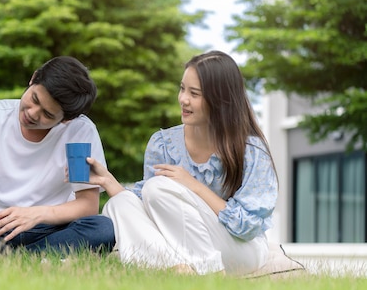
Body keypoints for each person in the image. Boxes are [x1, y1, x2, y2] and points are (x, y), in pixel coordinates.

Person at [86, 50, 277, 275]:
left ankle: (208, 271)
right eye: (182, 88)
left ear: (221, 100)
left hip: (240, 248)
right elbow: (146, 205)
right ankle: (176, 269)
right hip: (183, 243)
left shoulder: (251, 150)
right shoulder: (163, 144)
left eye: (194, 93)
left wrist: (193, 186)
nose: (183, 99)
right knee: (118, 205)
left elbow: (247, 227)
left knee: (159, 187)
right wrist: (108, 182)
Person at [0, 56, 115, 255]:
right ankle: (32, 256)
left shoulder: (79, 132)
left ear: (66, 119)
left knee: (103, 228)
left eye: (47, 114)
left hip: (47, 229)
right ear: (34, 78)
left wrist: (37, 214)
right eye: (34, 99)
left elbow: (87, 205)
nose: (32, 113)